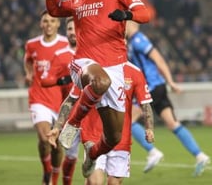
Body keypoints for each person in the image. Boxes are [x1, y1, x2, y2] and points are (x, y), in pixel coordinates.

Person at [42, 0, 151, 177]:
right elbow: (55, 9)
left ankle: (92, 156)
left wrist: (127, 16)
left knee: (113, 137)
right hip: (84, 62)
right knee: (100, 80)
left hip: (115, 66)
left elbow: (144, 13)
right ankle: (73, 124)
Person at [47, 61, 155, 184]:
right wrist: (57, 127)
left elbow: (145, 103)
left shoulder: (135, 72)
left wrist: (149, 128)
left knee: (114, 183)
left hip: (120, 139)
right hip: (93, 136)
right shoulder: (93, 71)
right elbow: (71, 100)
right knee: (95, 183)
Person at [125, 20, 210, 176]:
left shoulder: (138, 39)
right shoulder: (131, 42)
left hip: (151, 87)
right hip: (157, 87)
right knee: (172, 123)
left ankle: (152, 152)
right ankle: (200, 155)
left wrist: (170, 81)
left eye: (124, 22)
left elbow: (159, 59)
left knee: (127, 119)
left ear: (131, 23)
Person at [24, 10, 69, 185]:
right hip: (39, 98)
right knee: (45, 139)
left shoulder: (66, 44)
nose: (49, 24)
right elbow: (28, 60)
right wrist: (28, 73)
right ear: (41, 24)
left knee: (57, 143)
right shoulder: (32, 44)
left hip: (61, 100)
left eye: (52, 21)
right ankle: (47, 172)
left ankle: (54, 175)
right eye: (45, 21)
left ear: (58, 24)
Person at [39, 17, 77, 185]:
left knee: (95, 158)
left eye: (76, 28)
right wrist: (62, 80)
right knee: (71, 155)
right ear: (66, 32)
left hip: (93, 115)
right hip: (71, 117)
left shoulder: (94, 52)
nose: (73, 32)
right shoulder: (60, 55)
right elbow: (44, 80)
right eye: (70, 29)